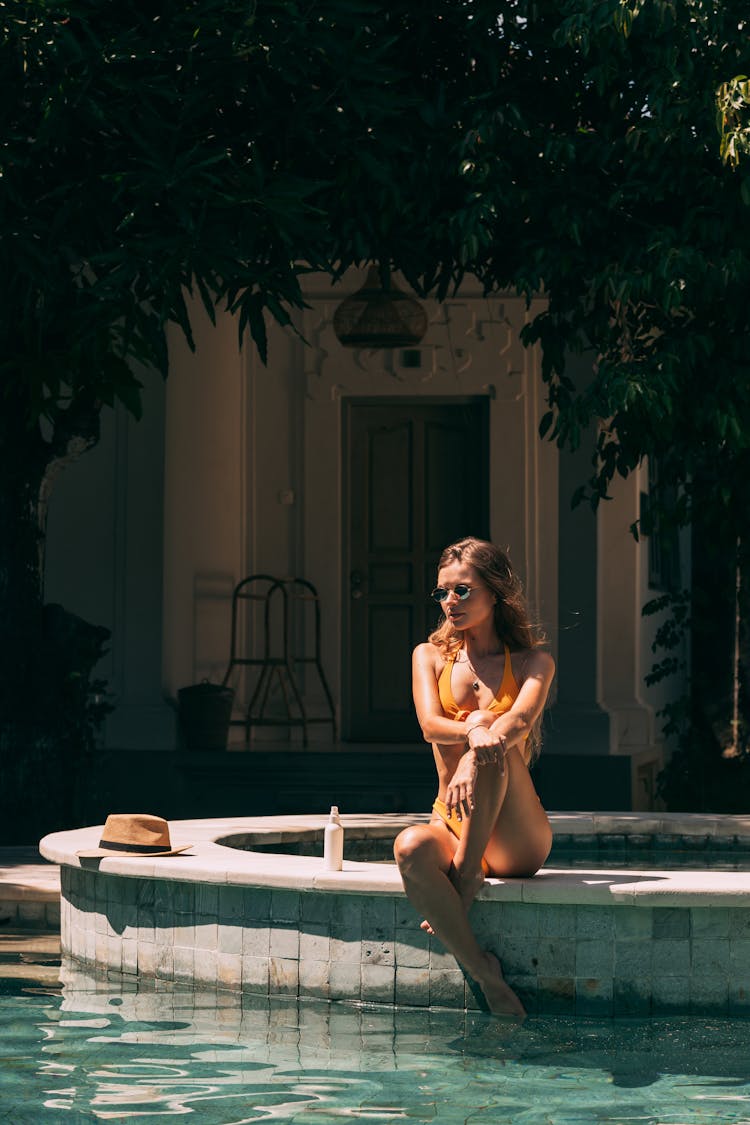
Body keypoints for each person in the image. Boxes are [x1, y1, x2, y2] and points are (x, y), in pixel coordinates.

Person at [393, 537, 555, 1018]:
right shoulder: (430, 656)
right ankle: (486, 973)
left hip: (515, 839)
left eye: (462, 591)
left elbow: (519, 722)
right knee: (409, 849)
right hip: (453, 820)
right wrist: (477, 729)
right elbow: (429, 725)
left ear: (496, 593)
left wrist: (475, 750)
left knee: (494, 748)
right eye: (442, 593)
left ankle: (466, 875)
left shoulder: (533, 663)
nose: (449, 603)